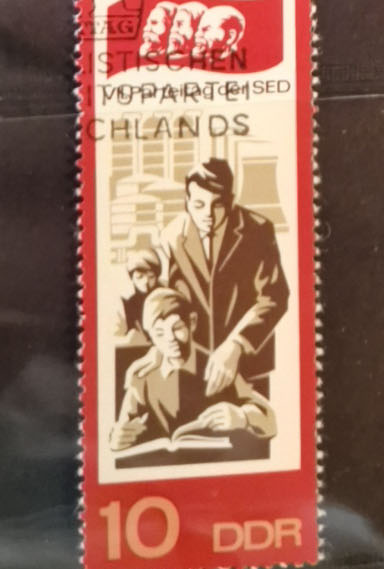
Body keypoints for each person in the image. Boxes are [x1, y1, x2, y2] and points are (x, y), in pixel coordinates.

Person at [122, 158, 289, 400]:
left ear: (230, 201)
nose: (207, 215)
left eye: (217, 205)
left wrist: (237, 344)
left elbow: (274, 297)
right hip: (194, 366)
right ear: (187, 202)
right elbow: (170, 301)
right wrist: (160, 349)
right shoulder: (172, 236)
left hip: (248, 367)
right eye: (198, 205)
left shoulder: (258, 230)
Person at [110, 283, 277, 454]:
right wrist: (118, 438)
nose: (170, 338)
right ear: (150, 336)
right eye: (159, 333)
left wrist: (243, 417)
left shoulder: (216, 366)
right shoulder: (143, 376)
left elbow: (270, 422)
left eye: (177, 328)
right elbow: (123, 426)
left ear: (192, 322)